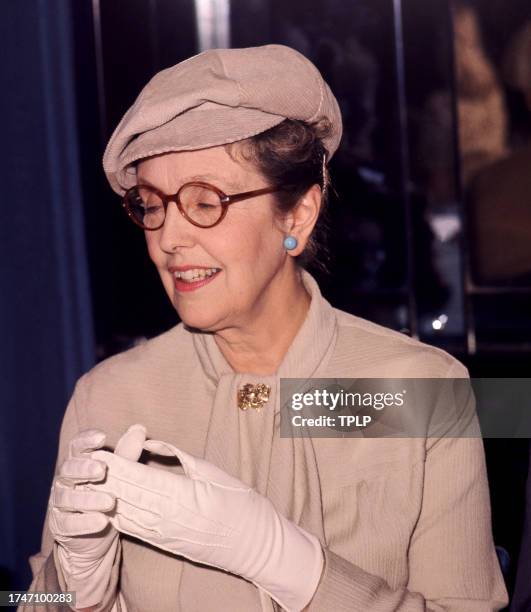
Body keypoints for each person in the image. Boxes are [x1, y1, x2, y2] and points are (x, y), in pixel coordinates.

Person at [24, 44, 508, 612]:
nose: (168, 239)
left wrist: (294, 567)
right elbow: (22, 602)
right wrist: (72, 585)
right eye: (152, 205)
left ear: (298, 215)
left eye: (205, 202)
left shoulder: (417, 391)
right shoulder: (108, 396)